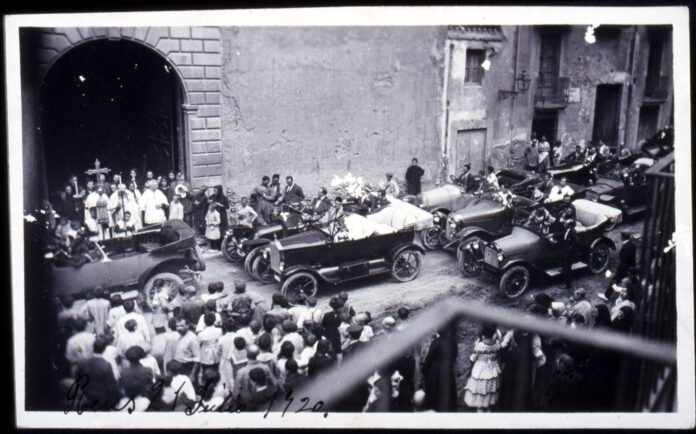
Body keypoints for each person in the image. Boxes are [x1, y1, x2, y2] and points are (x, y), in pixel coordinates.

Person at [463, 324, 502, 412]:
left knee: (480, 401)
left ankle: (480, 414)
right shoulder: (497, 345)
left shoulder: (479, 346)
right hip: (492, 372)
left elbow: (473, 358)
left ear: (483, 335)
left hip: (480, 372)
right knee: (488, 399)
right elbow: (500, 346)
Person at [600, 232, 638, 302]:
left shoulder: (625, 248)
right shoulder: (633, 245)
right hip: (632, 266)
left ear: (622, 237)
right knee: (632, 281)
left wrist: (619, 271)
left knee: (615, 280)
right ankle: (632, 294)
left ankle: (607, 296)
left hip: (624, 268)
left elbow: (623, 262)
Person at [560, 218, 578, 289]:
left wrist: (570, 247)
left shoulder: (573, 232)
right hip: (565, 251)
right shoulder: (566, 230)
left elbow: (576, 241)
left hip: (569, 253)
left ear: (569, 226)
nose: (564, 225)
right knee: (565, 267)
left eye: (565, 224)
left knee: (568, 268)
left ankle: (568, 284)